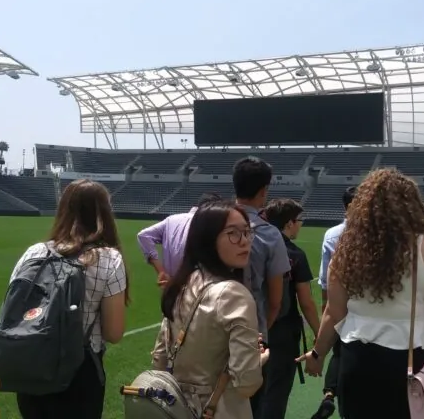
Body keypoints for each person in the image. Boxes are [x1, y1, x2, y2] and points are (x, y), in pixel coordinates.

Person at [297, 168, 424, 419]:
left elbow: (334, 312)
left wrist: (318, 354)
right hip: (414, 355)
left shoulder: (347, 246)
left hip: (358, 356)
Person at [13, 179, 130, 419]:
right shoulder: (109, 259)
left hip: (31, 363)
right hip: (80, 372)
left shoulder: (34, 252)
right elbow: (113, 333)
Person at [152, 201, 269, 419]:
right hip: (220, 409)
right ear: (207, 239)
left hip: (175, 408)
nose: (244, 241)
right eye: (233, 233)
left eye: (246, 232)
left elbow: (160, 357)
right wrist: (258, 357)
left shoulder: (181, 283)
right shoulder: (234, 294)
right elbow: (246, 384)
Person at [232, 156, 291, 418]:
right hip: (250, 335)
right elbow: (277, 300)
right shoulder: (269, 234)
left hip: (206, 327)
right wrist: (261, 329)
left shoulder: (207, 223)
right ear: (264, 190)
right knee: (251, 406)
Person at [258, 198, 320, 419]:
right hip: (282, 332)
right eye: (300, 220)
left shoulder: (253, 245)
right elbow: (306, 302)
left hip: (251, 327)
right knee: (276, 393)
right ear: (289, 223)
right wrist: (319, 334)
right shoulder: (294, 254)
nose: (301, 225)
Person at [312, 186, 355, 419]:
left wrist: (325, 308)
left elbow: (325, 281)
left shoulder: (333, 235)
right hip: (369, 306)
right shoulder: (383, 232)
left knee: (339, 350)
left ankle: (330, 393)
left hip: (340, 300)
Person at [137, 192, 223, 288]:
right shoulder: (209, 224)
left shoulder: (171, 220)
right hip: (197, 287)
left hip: (170, 286)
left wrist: (161, 271)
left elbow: (143, 236)